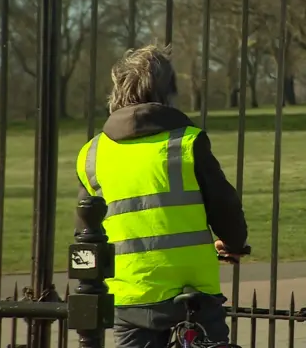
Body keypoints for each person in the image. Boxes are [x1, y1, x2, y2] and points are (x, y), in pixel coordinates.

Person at [74, 43, 248, 348]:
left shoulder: (92, 154)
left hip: (130, 295)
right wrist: (232, 243)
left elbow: (86, 232)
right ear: (169, 93)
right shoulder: (186, 142)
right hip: (192, 293)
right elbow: (224, 206)